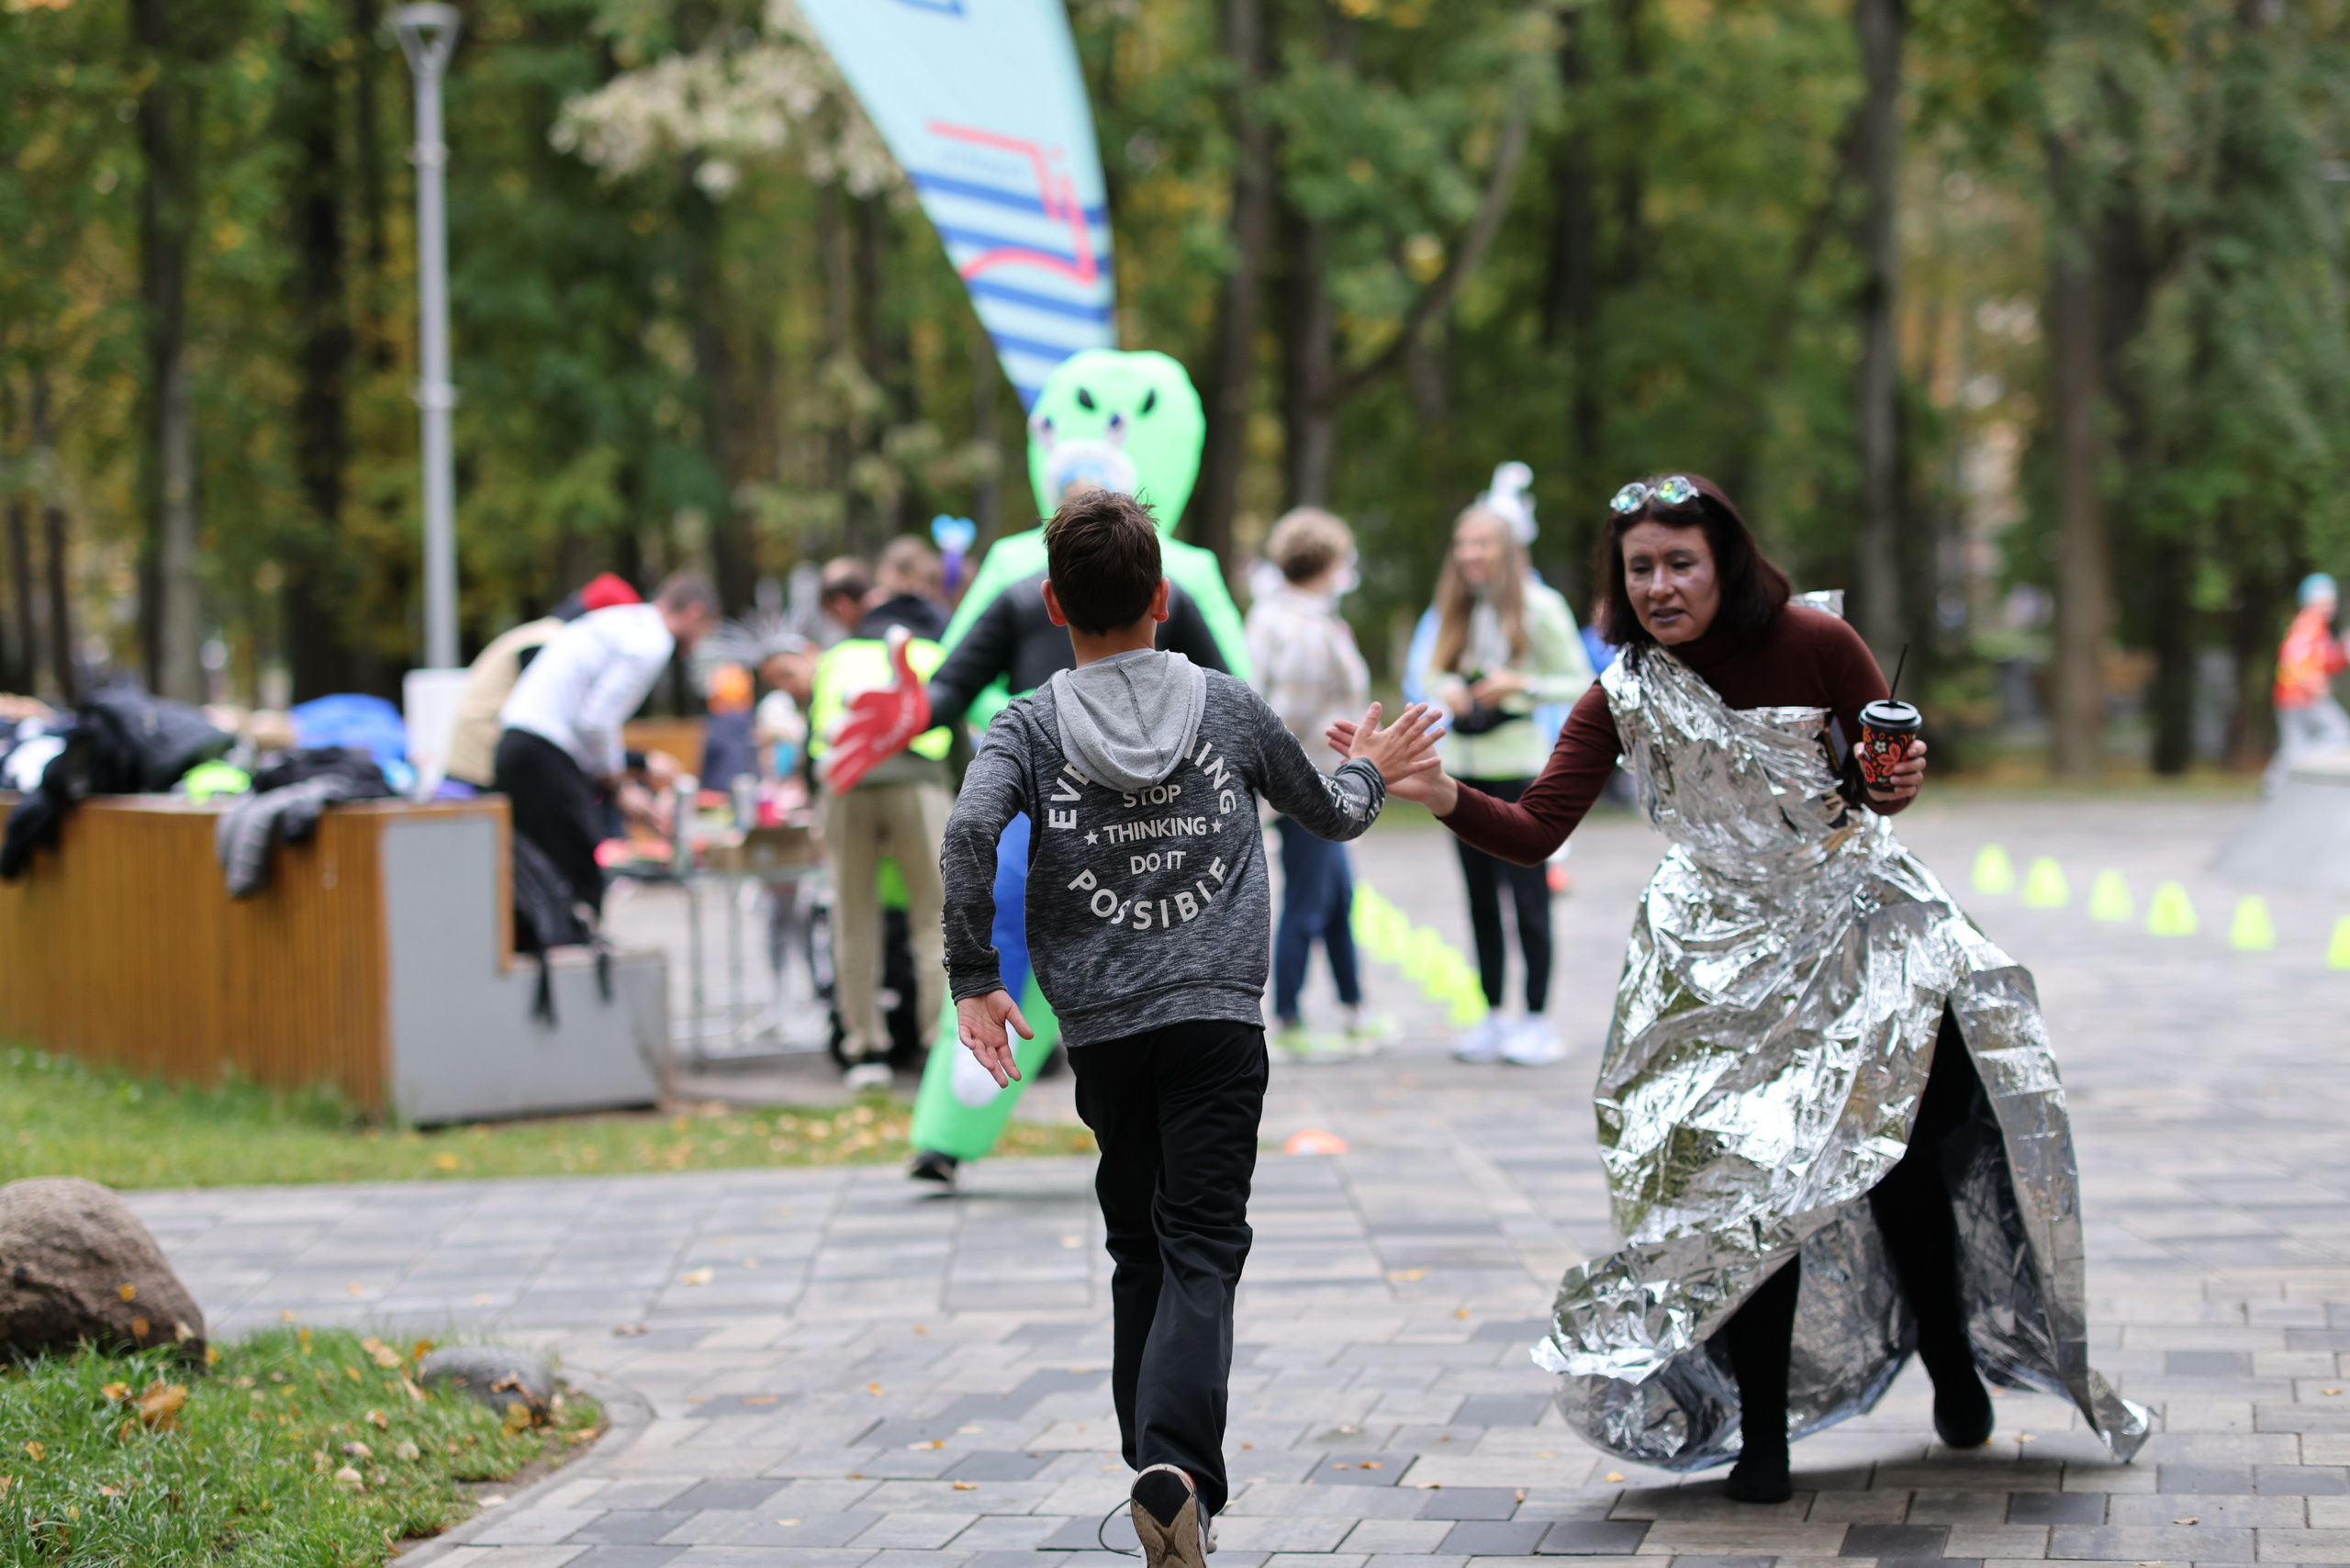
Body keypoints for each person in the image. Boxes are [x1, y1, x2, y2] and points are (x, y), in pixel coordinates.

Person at [1332, 473, 2147, 1502]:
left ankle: (1949, 1359)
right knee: (1745, 1196)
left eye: (1681, 563)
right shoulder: (1623, 688)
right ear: (1618, 582)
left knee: (1892, 1164)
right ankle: (1762, 1434)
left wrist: (1894, 778)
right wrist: (1440, 791)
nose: (1661, 586)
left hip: (1862, 948)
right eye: (1640, 569)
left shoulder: (1818, 644)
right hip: (1715, 975)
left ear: (1726, 563)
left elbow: (1877, 775)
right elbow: (1538, 827)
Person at [943, 488, 1438, 1566]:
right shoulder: (1226, 705)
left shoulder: (1025, 725)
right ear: (1162, 597)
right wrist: (1376, 767)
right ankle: (1176, 1472)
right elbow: (1333, 813)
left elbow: (968, 833)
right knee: (1200, 1243)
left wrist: (975, 976)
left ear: (1050, 601)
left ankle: (1153, 1468)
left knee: (1137, 1241)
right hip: (1217, 1018)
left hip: (1105, 1032)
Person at [905, 349, 1252, 1185]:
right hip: (1049, 800)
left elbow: (1233, 698)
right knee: (1022, 934)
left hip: (1146, 811)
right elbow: (951, 683)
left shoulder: (1182, 579)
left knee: (1142, 966)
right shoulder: (1019, 581)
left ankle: (1149, 1137)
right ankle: (952, 1130)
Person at [1409, 487, 1592, 1067]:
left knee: (1529, 901)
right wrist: (1450, 690)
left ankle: (1537, 1019)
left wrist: (1520, 685)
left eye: (1482, 542)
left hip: (1519, 771)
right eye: (1463, 544)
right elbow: (1429, 671)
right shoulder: (1454, 609)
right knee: (1479, 900)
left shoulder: (1541, 608)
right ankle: (1492, 1015)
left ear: (1506, 548)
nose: (1471, 554)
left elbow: (1580, 681)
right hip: (1463, 773)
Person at [1246, 507, 1394, 1061]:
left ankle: (1355, 1009)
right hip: (1312, 783)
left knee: (1336, 899)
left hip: (1315, 783)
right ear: (1328, 563)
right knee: (1309, 902)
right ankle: (1286, 1018)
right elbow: (1291, 716)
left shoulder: (1271, 615)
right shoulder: (1305, 629)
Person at [494, 573, 720, 917]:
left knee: (537, 884)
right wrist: (621, 786)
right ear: (694, 613)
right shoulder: (651, 642)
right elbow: (597, 721)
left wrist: (624, 777)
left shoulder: (622, 625)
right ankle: (577, 960)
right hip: (542, 752)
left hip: (521, 745)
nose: (699, 643)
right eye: (705, 631)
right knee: (578, 882)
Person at [808, 572, 954, 1091]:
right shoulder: (931, 654)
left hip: (846, 787)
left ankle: (864, 1049)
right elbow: (953, 729)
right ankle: (939, 1043)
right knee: (934, 918)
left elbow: (816, 738)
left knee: (853, 916)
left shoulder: (835, 660)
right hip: (917, 782)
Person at [444, 573, 642, 792]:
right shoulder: (551, 644)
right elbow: (560, 727)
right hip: (481, 767)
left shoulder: (544, 634)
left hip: (482, 760)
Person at [2267, 572, 2350, 793]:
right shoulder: (2309, 623)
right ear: (2313, 601)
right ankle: (2288, 776)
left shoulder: (2315, 626)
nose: (2330, 606)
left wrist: (2342, 652)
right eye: (2326, 601)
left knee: (2295, 744)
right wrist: (2311, 682)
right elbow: (2292, 657)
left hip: (2290, 696)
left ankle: (2275, 786)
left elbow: (2324, 662)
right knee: (2339, 732)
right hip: (2300, 696)